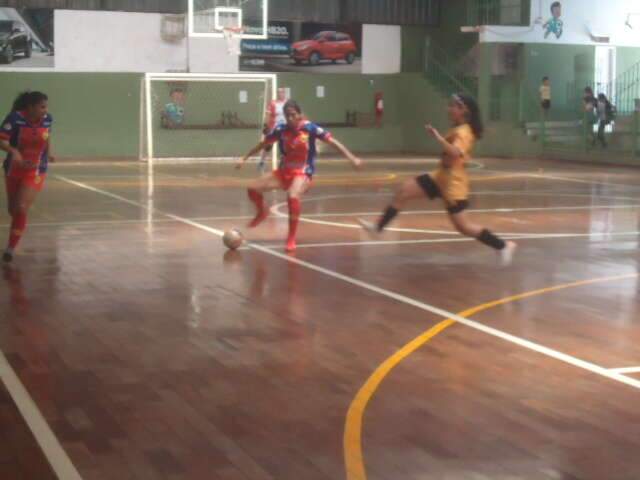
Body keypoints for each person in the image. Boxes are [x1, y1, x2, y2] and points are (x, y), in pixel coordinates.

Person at [358, 93, 516, 265]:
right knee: (404, 191)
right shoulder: (459, 128)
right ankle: (378, 228)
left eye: (452, 106)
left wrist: (438, 138)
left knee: (464, 227)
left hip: (453, 184)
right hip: (440, 176)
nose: (449, 109)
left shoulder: (465, 132)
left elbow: (455, 152)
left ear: (463, 110)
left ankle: (503, 246)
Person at [236, 99, 362, 252]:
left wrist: (352, 158)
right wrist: (244, 158)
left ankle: (291, 238)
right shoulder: (281, 129)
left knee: (292, 195)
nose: (290, 119)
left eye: (293, 115)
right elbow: (263, 144)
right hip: (284, 172)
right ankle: (262, 211)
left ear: (299, 115)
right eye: (287, 115)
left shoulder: (310, 128)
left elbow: (333, 142)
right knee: (252, 188)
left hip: (303, 172)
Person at [0, 91, 54, 263]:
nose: (45, 110)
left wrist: (49, 153)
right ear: (30, 107)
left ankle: (10, 248)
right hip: (13, 170)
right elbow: (2, 141)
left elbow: (47, 136)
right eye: (42, 107)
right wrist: (14, 152)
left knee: (21, 207)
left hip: (36, 170)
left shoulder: (47, 119)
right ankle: (15, 234)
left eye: (46, 107)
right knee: (13, 210)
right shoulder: (14, 119)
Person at [259, 87, 288, 172]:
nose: (280, 93)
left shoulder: (288, 103)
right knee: (268, 145)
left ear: (284, 93)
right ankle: (262, 162)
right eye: (278, 92)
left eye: (282, 92)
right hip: (274, 127)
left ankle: (284, 163)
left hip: (285, 128)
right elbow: (268, 114)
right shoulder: (273, 103)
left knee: (285, 146)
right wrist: (266, 125)